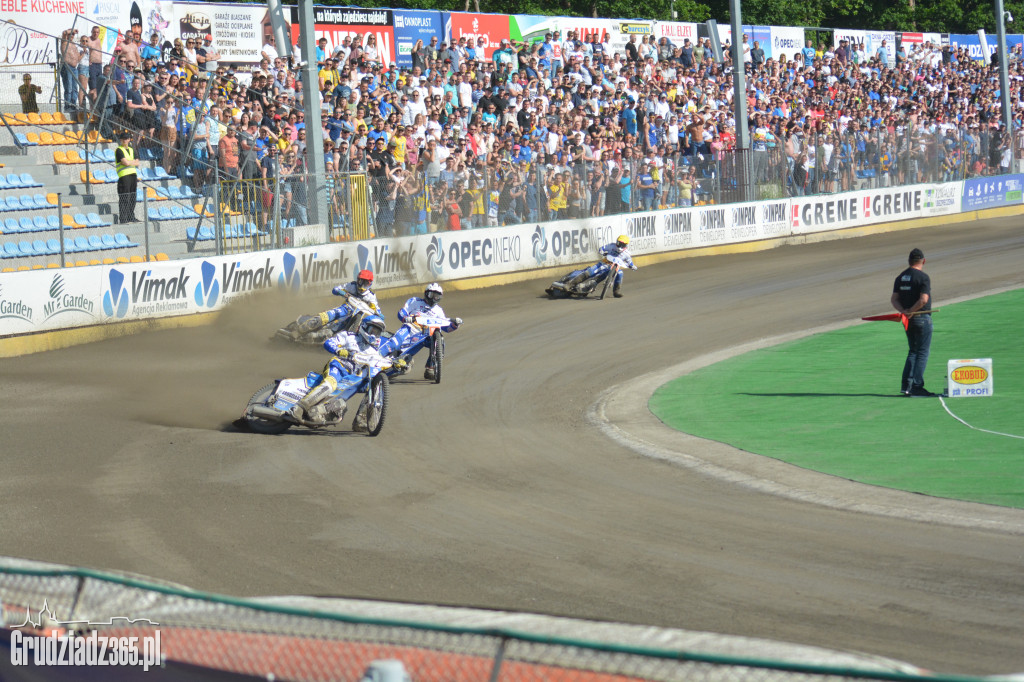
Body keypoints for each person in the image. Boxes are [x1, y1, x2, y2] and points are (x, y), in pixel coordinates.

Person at [289, 314, 396, 432]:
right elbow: (329, 342)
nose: (374, 335)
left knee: (372, 386)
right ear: (364, 327)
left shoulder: (373, 350)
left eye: (377, 332)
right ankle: (299, 407)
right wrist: (339, 350)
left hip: (353, 376)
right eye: (372, 330)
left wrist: (397, 363)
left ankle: (361, 421)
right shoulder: (349, 336)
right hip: (339, 366)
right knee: (330, 385)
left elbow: (383, 362)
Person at [377, 282, 462, 381]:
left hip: (425, 334)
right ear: (426, 293)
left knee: (440, 341)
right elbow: (401, 312)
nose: (433, 298)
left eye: (437, 296)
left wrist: (455, 324)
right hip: (410, 327)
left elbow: (446, 327)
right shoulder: (414, 301)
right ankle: (377, 356)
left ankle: (431, 368)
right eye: (431, 295)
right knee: (394, 342)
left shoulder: (438, 310)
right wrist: (405, 318)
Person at [891, 248, 937, 397]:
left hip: (908, 319)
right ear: (923, 261)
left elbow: (894, 299)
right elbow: (924, 299)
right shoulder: (923, 277)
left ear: (909, 261)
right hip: (921, 317)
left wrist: (904, 311)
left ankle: (906, 386)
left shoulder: (900, 277)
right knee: (922, 352)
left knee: (913, 351)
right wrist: (912, 310)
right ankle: (917, 386)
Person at [295, 270, 382, 338]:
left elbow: (377, 311)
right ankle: (299, 329)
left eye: (364, 282)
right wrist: (341, 292)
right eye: (360, 281)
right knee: (325, 317)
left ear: (369, 283)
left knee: (328, 333)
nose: (361, 284)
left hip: (354, 317)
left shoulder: (371, 296)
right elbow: (335, 289)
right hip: (345, 309)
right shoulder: (352, 285)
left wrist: (379, 315)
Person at [561, 234, 638, 298]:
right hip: (603, 264)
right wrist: (602, 252)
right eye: (618, 243)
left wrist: (633, 266)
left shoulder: (627, 254)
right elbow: (602, 248)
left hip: (614, 268)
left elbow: (629, 262)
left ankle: (616, 291)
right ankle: (569, 284)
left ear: (625, 245)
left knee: (620, 273)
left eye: (621, 244)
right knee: (589, 272)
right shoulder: (612, 246)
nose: (618, 245)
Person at [114, 131, 140, 223]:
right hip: (124, 176)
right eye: (123, 139)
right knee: (125, 198)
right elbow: (125, 162)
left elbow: (138, 162)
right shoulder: (119, 150)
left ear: (129, 139)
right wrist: (131, 162)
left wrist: (129, 162)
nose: (125, 140)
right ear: (121, 140)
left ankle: (130, 217)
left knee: (133, 197)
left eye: (127, 138)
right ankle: (123, 219)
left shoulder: (132, 149)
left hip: (133, 175)